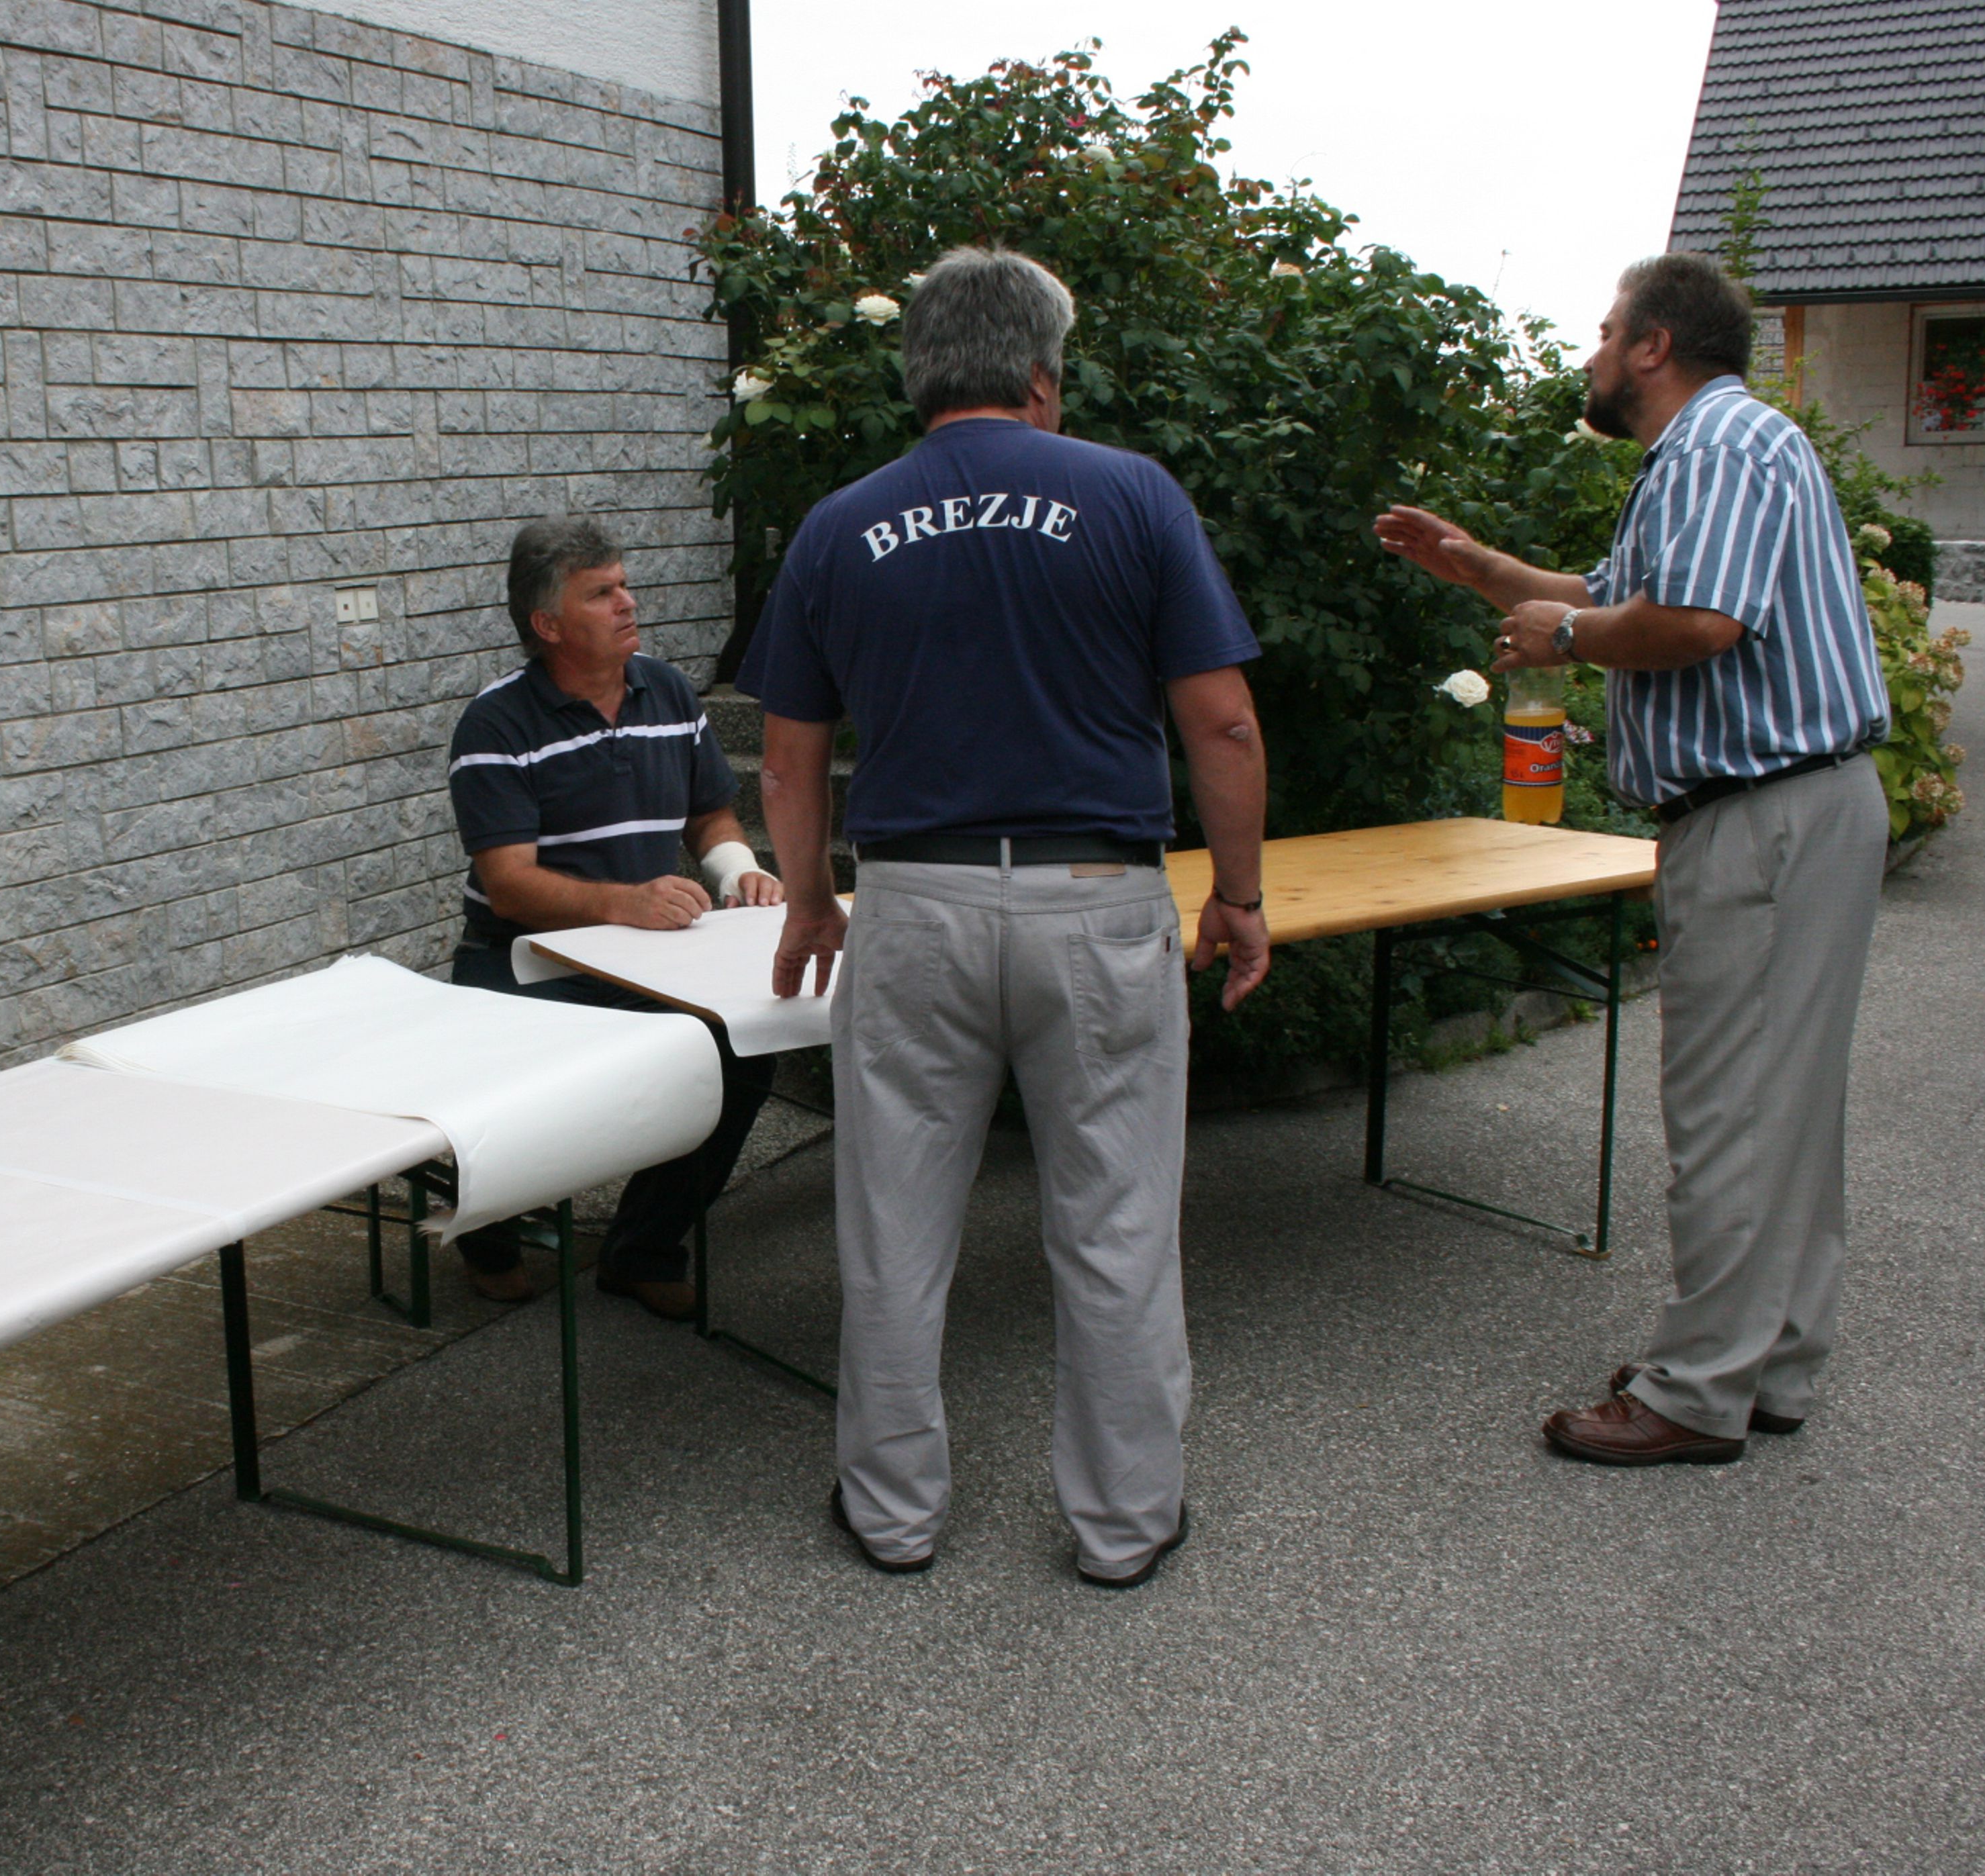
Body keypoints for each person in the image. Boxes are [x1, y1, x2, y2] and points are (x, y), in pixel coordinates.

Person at [744, 247, 1272, 1586]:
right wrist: (1239, 895)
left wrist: (808, 899)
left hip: (913, 905)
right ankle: (1124, 1523)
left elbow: (790, 763)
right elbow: (1221, 720)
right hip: (1096, 900)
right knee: (1116, 1222)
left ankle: (892, 1512)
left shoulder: (838, 526)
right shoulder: (1133, 495)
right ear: (1042, 378)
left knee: (893, 1222)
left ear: (918, 374)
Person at [1373, 251, 1890, 1466]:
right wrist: (1479, 568)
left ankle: (1698, 1389)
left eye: (1609, 333)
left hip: (1761, 815)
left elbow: (1693, 624)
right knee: (1786, 1109)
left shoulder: (1716, 448)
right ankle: (1767, 1362)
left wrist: (1566, 631)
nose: (1596, 353)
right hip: (1796, 808)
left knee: (1731, 1111)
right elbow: (1608, 596)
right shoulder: (1723, 447)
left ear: (1655, 344)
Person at [445, 516, 785, 1318]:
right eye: (602, 593)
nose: (628, 603)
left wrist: (739, 870)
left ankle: (641, 1250)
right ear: (549, 624)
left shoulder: (668, 691)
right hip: (526, 957)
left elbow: (710, 815)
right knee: (517, 1101)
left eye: (624, 585)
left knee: (740, 1057)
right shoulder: (495, 724)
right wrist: (623, 903)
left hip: (646, 955)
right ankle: (488, 1237)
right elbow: (508, 886)